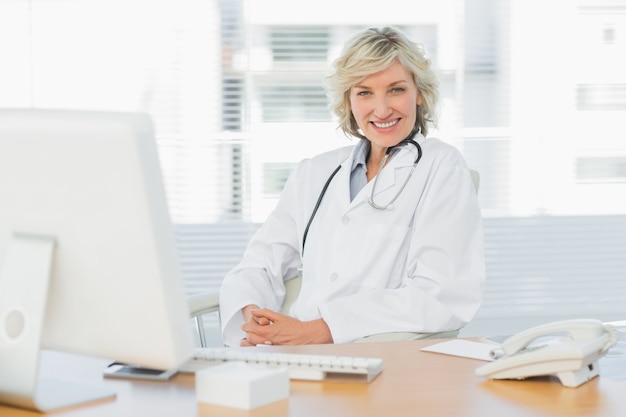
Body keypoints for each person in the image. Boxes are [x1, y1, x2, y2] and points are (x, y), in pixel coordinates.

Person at [219, 26, 485, 347]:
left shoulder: (441, 166)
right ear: (349, 101)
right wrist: (254, 320)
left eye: (396, 90)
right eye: (365, 92)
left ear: (420, 94)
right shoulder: (314, 172)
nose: (382, 109)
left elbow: (442, 294)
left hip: (381, 355)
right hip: (292, 352)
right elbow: (260, 263)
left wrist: (315, 331)